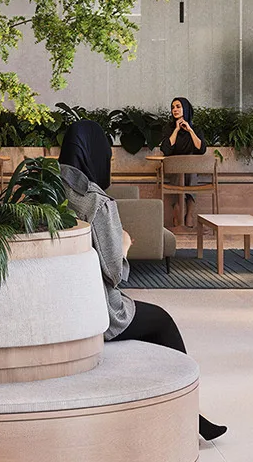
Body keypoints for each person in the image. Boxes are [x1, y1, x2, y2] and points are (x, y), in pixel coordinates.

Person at [57, 146, 225, 444]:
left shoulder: (48, 192)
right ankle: (190, 412)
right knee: (161, 321)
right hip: (97, 313)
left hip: (61, 308)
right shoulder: (95, 202)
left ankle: (181, 410)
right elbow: (115, 274)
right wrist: (123, 246)